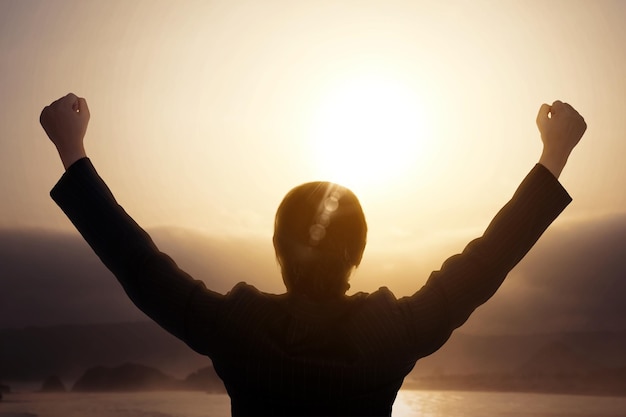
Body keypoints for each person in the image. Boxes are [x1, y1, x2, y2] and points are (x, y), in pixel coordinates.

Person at [40, 93, 586, 416]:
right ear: (359, 251)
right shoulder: (392, 332)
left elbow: (140, 267)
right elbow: (486, 263)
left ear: (277, 248)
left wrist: (73, 151)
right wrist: (553, 155)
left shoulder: (238, 328)